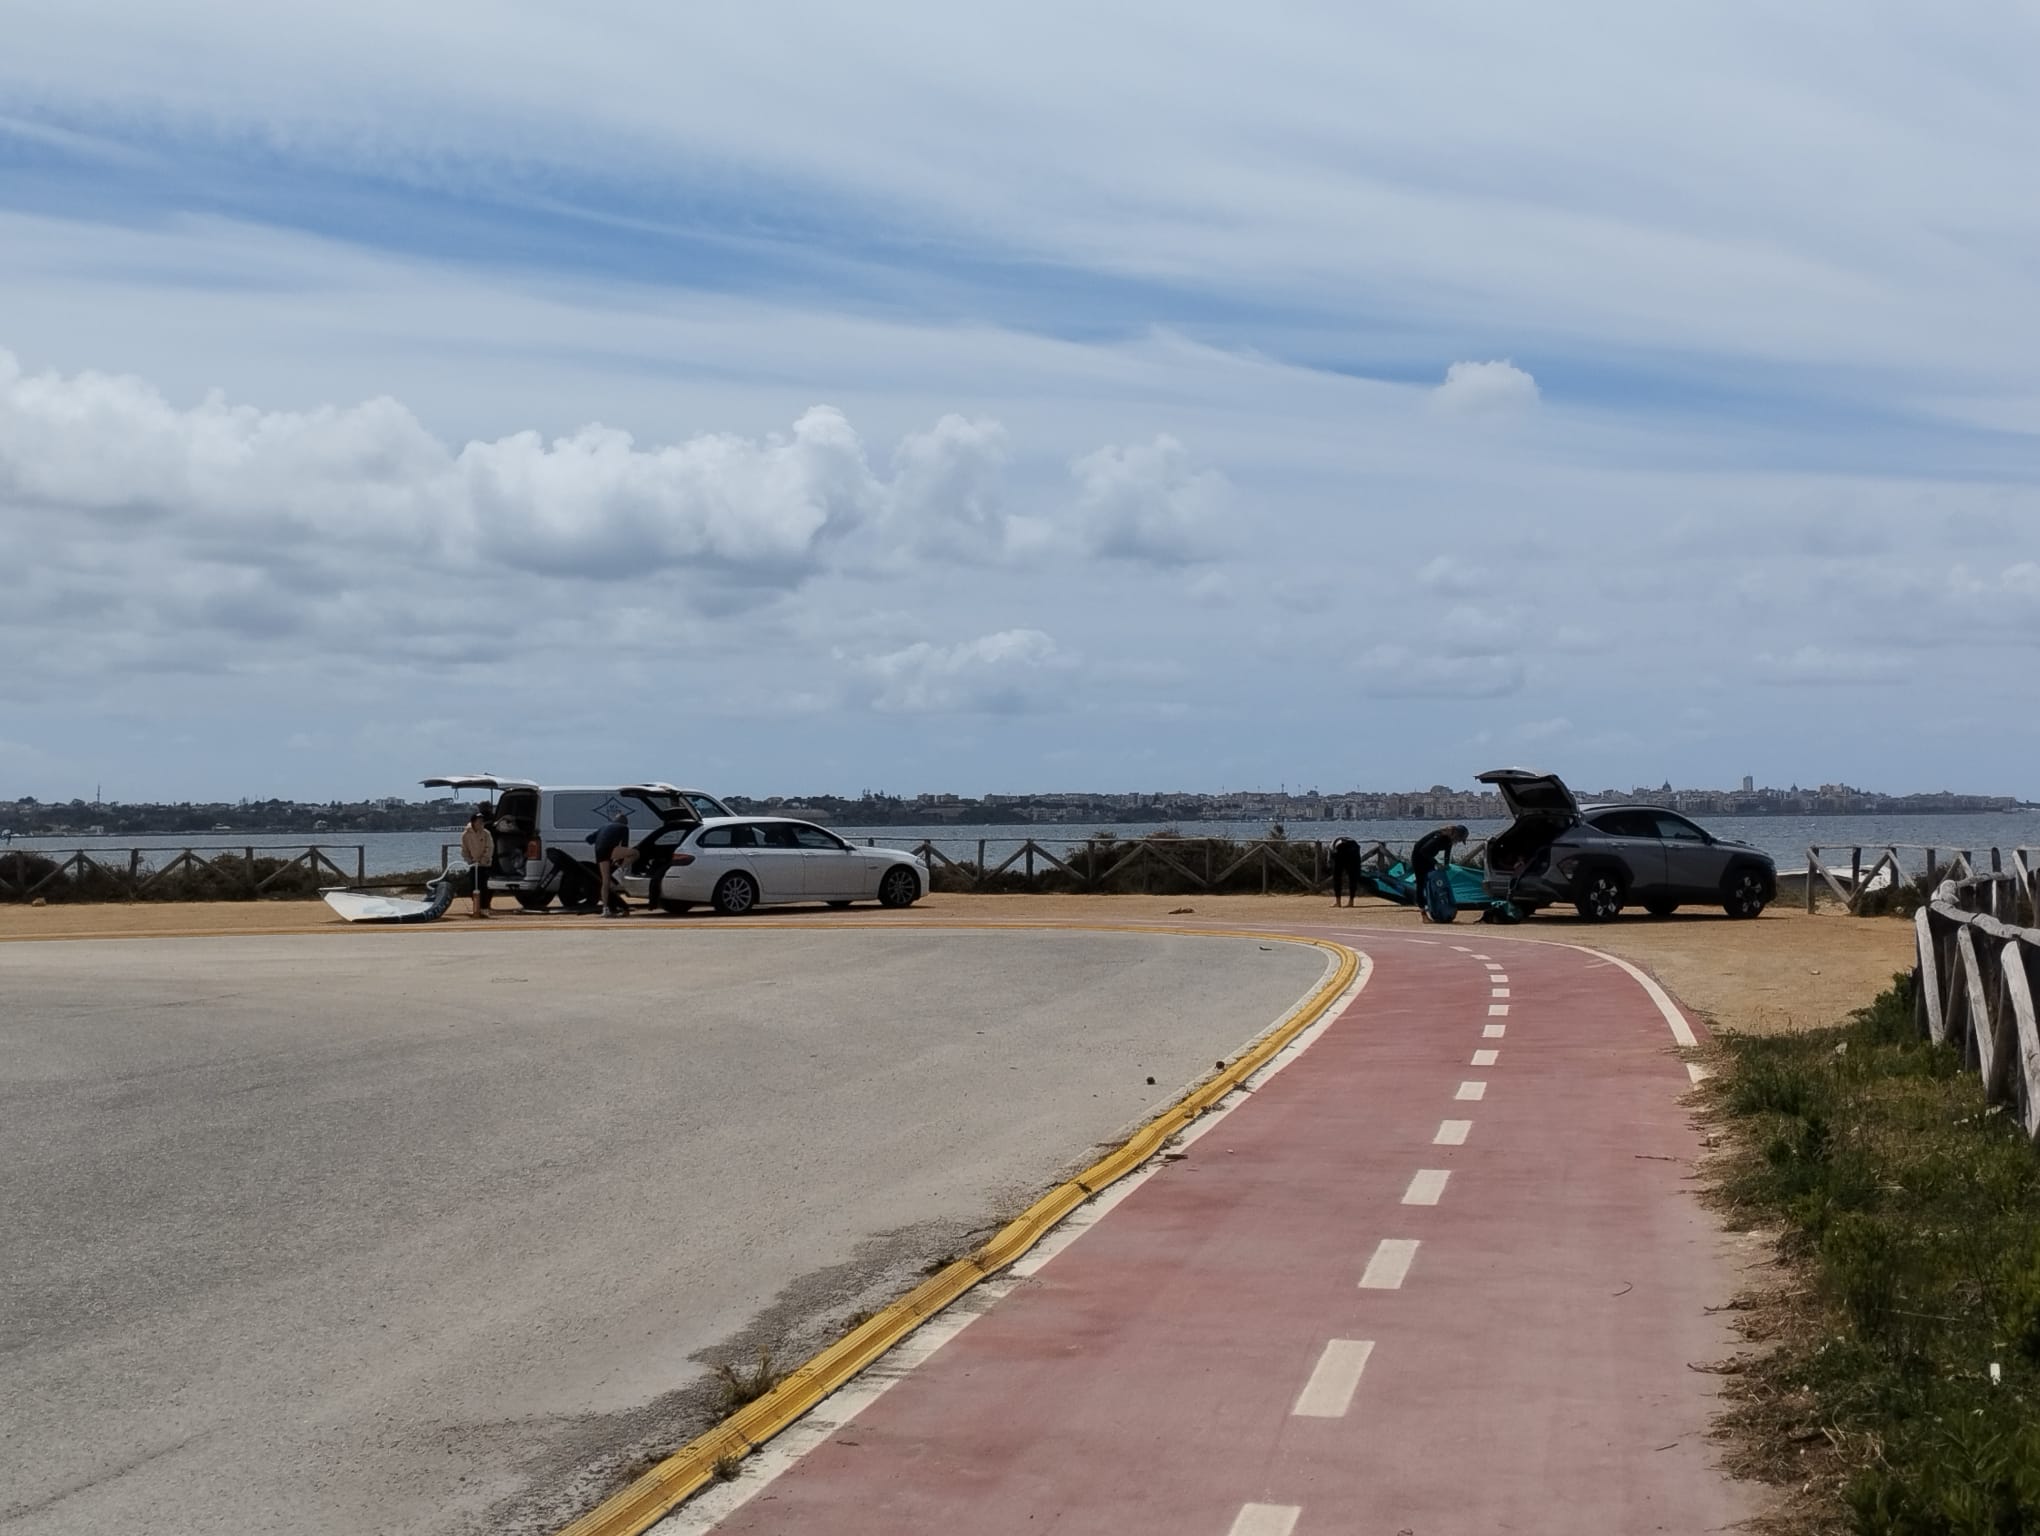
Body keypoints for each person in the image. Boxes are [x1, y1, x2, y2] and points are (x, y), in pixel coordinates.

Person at [1408, 823, 1468, 919]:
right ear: (1457, 835)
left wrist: (1447, 865)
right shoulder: (1440, 837)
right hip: (1419, 856)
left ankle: (1436, 906)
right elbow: (1423, 850)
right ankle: (1423, 913)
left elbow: (1447, 853)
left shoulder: (1449, 840)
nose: (1458, 842)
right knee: (1421, 883)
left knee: (1435, 881)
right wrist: (1436, 863)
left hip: (1428, 856)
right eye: (1460, 839)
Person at [589, 810, 634, 918]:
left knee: (605, 881)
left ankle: (605, 909)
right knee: (636, 853)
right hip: (610, 849)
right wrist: (620, 861)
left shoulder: (604, 827)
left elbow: (589, 839)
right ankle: (620, 872)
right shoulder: (624, 828)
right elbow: (625, 844)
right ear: (625, 823)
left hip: (599, 852)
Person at [460, 805, 495, 919]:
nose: (481, 823)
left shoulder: (486, 833)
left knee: (484, 887)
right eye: (479, 821)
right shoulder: (466, 834)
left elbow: (490, 847)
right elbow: (464, 849)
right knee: (473, 887)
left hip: (484, 864)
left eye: (482, 821)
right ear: (473, 822)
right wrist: (469, 859)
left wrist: (484, 859)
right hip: (473, 864)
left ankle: (485, 908)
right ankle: (477, 907)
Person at [1329, 835, 1363, 906]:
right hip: (1353, 850)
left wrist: (1331, 866)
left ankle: (1338, 902)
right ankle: (1351, 901)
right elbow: (1358, 861)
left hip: (1340, 850)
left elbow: (1330, 860)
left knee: (1337, 877)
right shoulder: (1353, 843)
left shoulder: (1332, 846)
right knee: (1352, 877)